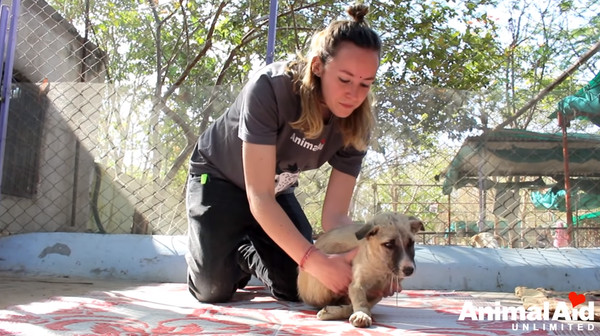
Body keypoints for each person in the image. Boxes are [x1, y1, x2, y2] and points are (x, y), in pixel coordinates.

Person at [185, 4, 382, 303]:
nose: (354, 94)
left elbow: (335, 216)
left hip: (276, 187)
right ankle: (227, 251)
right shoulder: (269, 88)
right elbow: (258, 197)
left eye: (365, 84)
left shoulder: (357, 125)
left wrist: (371, 263)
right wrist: (315, 260)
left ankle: (246, 252)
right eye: (344, 79)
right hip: (219, 177)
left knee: (298, 287)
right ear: (318, 66)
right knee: (212, 289)